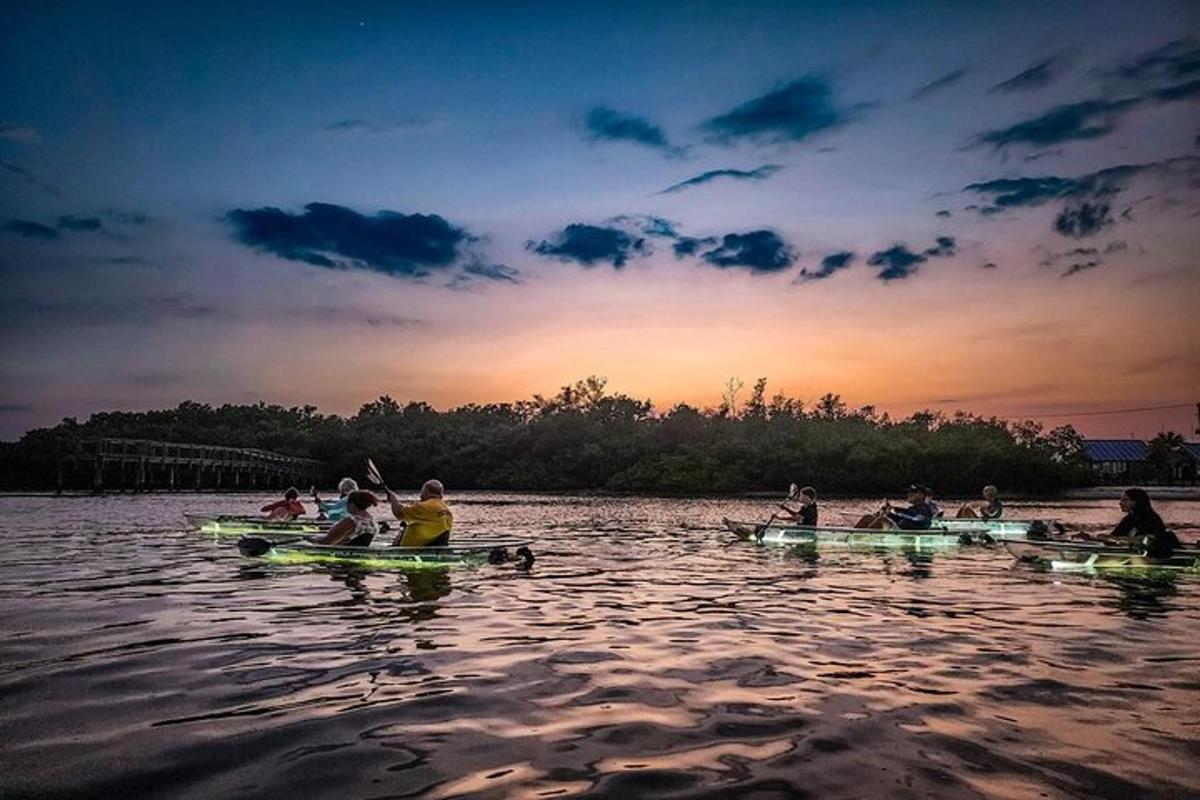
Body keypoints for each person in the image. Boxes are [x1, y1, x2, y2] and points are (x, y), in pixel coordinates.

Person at [1104, 488, 1181, 558]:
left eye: (1125, 500)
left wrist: (1118, 539)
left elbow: (1147, 539)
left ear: (1136, 502)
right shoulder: (1129, 519)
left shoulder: (1151, 519)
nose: (1120, 503)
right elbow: (1114, 535)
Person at [387, 479, 453, 546]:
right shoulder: (447, 510)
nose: (420, 496)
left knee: (403, 527)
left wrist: (393, 499)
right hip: (432, 547)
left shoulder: (423, 506)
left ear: (426, 492)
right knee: (405, 525)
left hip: (410, 549)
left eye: (422, 492)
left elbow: (398, 513)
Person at [314, 490, 380, 546]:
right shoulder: (373, 523)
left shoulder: (350, 521)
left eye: (347, 503)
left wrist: (308, 539)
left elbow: (327, 543)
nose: (346, 505)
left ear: (352, 504)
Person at [855, 485, 935, 530]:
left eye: (913, 492)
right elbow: (904, 518)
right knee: (868, 517)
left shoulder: (925, 509)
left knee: (882, 520)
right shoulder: (912, 509)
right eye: (909, 492)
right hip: (900, 529)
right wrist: (889, 514)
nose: (909, 494)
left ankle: (863, 537)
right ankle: (851, 535)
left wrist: (895, 509)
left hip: (907, 533)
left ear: (922, 495)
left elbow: (915, 518)